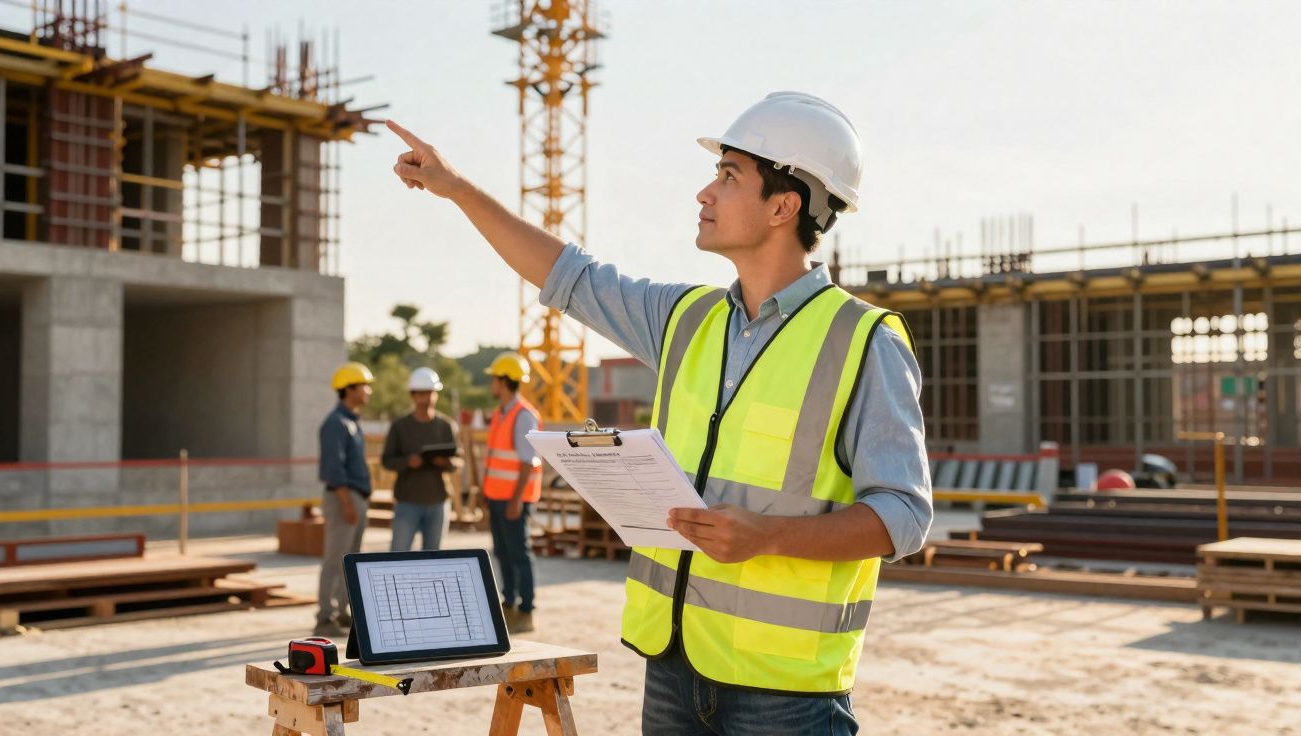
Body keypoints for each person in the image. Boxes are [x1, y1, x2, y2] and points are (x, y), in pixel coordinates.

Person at [386, 91, 932, 734]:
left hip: (784, 696)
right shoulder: (687, 319)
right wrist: (456, 189)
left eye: (729, 177)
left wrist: (767, 536)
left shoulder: (864, 341)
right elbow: (569, 275)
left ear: (784, 206)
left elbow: (905, 514)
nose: (705, 193)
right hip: (672, 669)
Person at [480, 351, 542, 634]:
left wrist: (516, 500)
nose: (491, 383)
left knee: (519, 553)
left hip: (513, 499)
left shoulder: (523, 415)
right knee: (503, 553)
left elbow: (528, 462)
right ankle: (509, 603)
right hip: (497, 496)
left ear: (503, 381)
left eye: (494, 378)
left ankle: (526, 610)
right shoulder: (500, 413)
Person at [315, 361, 374, 637]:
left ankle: (343, 612)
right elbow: (333, 469)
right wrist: (348, 503)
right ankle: (325, 616)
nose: (368, 391)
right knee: (334, 558)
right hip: (343, 498)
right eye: (364, 385)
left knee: (350, 559)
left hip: (354, 496)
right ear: (350, 389)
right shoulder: (335, 424)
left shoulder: (351, 421)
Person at [381, 366, 463, 551]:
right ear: (413, 395)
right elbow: (387, 460)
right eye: (421, 394)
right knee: (399, 556)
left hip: (438, 501)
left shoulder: (446, 426)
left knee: (433, 560)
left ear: (435, 394)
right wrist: (408, 462)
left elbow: (458, 462)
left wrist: (446, 463)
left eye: (430, 393)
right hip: (407, 501)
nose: (426, 398)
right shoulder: (400, 426)